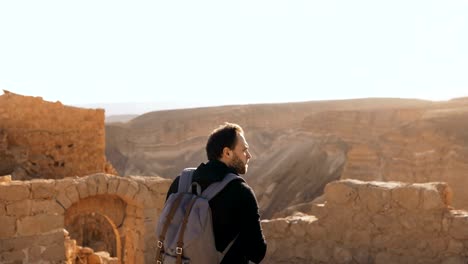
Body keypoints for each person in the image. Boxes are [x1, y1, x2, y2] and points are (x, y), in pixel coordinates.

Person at [165, 122, 267, 264]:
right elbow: (257, 252)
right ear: (227, 153)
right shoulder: (241, 192)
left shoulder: (180, 182)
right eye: (244, 150)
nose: (249, 155)